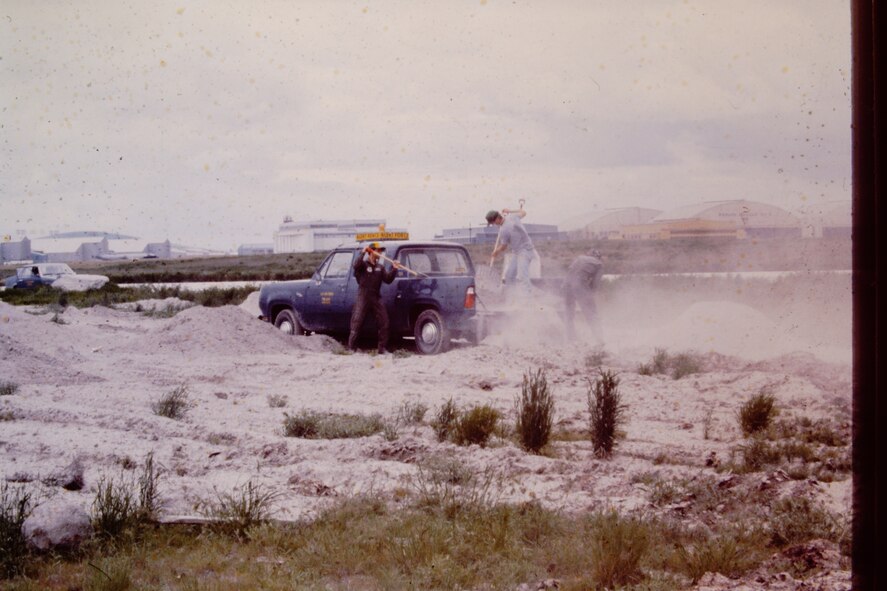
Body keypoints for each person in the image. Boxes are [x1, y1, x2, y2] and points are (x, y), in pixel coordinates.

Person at [348, 242, 401, 354]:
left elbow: (388, 279)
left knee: (384, 322)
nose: (380, 253)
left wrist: (394, 269)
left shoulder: (380, 267)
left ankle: (382, 349)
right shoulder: (363, 264)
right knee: (357, 322)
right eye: (378, 250)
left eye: (381, 251)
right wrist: (363, 252)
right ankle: (352, 348)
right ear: (371, 251)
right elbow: (355, 265)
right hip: (363, 296)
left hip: (375, 296)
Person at [485, 205, 541, 298]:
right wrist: (510, 211)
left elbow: (503, 247)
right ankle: (512, 298)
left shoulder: (503, 230)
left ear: (497, 219)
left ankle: (529, 302)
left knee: (523, 277)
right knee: (509, 276)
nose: (494, 225)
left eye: (493, 223)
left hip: (525, 251)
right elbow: (524, 212)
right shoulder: (512, 216)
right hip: (517, 252)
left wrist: (495, 253)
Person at [563, 249, 604, 343]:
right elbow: (595, 284)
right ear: (598, 257)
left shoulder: (579, 258)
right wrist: (590, 295)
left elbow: (570, 271)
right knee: (592, 313)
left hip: (566, 285)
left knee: (569, 314)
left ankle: (571, 339)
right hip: (580, 285)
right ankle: (599, 339)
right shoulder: (599, 264)